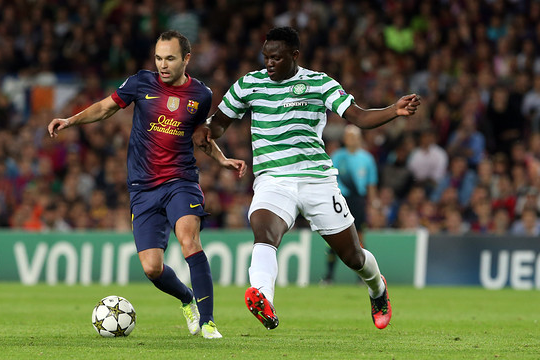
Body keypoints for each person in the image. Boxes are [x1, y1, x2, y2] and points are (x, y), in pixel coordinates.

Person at [195, 27, 420, 330]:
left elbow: (358, 117)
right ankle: (263, 298)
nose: (269, 63)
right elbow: (221, 123)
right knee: (264, 231)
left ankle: (377, 288)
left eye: (276, 57)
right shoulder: (249, 84)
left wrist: (394, 110)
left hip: (317, 181)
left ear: (294, 55)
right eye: (266, 57)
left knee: (353, 256)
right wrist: (208, 129)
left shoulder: (318, 82)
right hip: (273, 179)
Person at [48, 30, 246, 339]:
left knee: (188, 240)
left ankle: (207, 321)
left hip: (181, 180)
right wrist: (70, 121)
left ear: (186, 59)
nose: (163, 65)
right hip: (142, 188)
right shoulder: (141, 82)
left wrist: (222, 160)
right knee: (152, 268)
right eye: (158, 58)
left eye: (170, 58)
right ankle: (187, 298)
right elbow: (104, 108)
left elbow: (200, 138)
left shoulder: (201, 95)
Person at [322, 124, 377, 284]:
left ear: (359, 138)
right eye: (348, 136)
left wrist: (373, 204)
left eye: (353, 136)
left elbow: (371, 184)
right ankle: (329, 276)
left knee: (359, 238)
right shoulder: (338, 156)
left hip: (358, 201)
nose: (351, 139)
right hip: (340, 201)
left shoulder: (367, 159)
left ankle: (362, 277)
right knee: (335, 236)